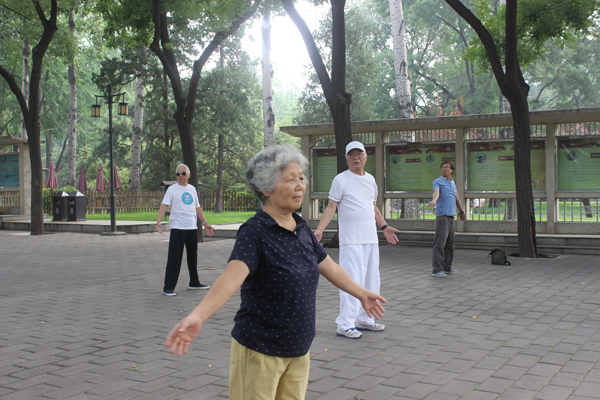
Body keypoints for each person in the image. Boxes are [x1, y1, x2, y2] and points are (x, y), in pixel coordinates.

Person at [164, 146, 386, 400]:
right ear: (266, 188)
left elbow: (330, 267)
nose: (299, 185)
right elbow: (231, 277)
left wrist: (362, 293)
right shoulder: (255, 232)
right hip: (260, 350)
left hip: (299, 349)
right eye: (290, 179)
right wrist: (198, 316)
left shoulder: (301, 228)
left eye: (301, 178)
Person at [314, 141, 400, 339]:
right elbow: (330, 207)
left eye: (359, 154)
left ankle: (365, 319)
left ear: (365, 156)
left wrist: (384, 227)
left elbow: (372, 207)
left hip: (370, 240)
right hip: (351, 241)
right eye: (351, 154)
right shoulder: (341, 179)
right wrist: (320, 230)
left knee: (371, 280)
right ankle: (344, 323)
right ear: (346, 158)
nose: (356, 158)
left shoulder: (370, 180)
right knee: (351, 281)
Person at [157, 164, 214, 296]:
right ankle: (168, 286)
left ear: (189, 175)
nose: (180, 176)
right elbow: (164, 205)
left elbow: (197, 208)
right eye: (178, 174)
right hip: (178, 227)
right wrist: (159, 221)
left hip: (191, 227)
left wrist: (205, 223)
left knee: (192, 256)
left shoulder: (192, 189)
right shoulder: (172, 189)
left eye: (183, 173)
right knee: (174, 258)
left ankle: (194, 282)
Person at [428, 161, 466, 277]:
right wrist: (434, 200)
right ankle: (437, 269)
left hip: (451, 216)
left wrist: (462, 211)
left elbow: (456, 198)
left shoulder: (452, 183)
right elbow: (436, 192)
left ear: (452, 170)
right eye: (442, 167)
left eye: (446, 167)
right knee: (440, 243)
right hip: (442, 216)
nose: (444, 169)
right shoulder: (437, 181)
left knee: (450, 244)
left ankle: (447, 267)